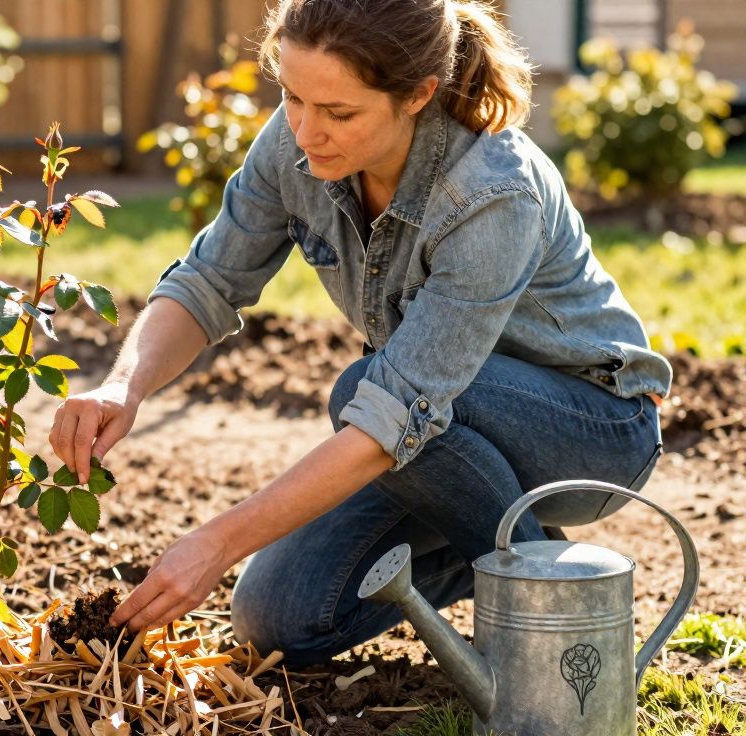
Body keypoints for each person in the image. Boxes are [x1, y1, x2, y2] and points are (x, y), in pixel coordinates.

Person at [45, 0, 671, 666]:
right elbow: (207, 281)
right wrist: (121, 386)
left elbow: (394, 411)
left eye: (339, 113)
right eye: (291, 97)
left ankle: (547, 612)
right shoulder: (298, 138)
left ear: (417, 95)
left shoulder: (490, 193)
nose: (306, 132)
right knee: (277, 616)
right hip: (445, 437)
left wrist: (219, 542)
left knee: (362, 393)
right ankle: (514, 546)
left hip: (589, 430)